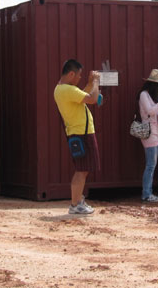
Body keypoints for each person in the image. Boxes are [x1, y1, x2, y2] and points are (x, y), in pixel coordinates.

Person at [54, 59, 102, 215]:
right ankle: (75, 205)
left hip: (79, 132)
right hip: (81, 133)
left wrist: (89, 84)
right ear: (71, 74)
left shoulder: (62, 89)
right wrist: (95, 82)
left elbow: (84, 95)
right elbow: (92, 98)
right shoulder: (67, 90)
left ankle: (78, 201)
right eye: (79, 75)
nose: (80, 78)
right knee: (82, 170)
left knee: (83, 168)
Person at [138, 69, 158, 202]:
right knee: (150, 165)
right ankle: (146, 193)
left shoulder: (148, 95)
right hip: (150, 132)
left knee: (151, 164)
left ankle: (147, 192)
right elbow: (150, 111)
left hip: (154, 132)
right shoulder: (144, 95)